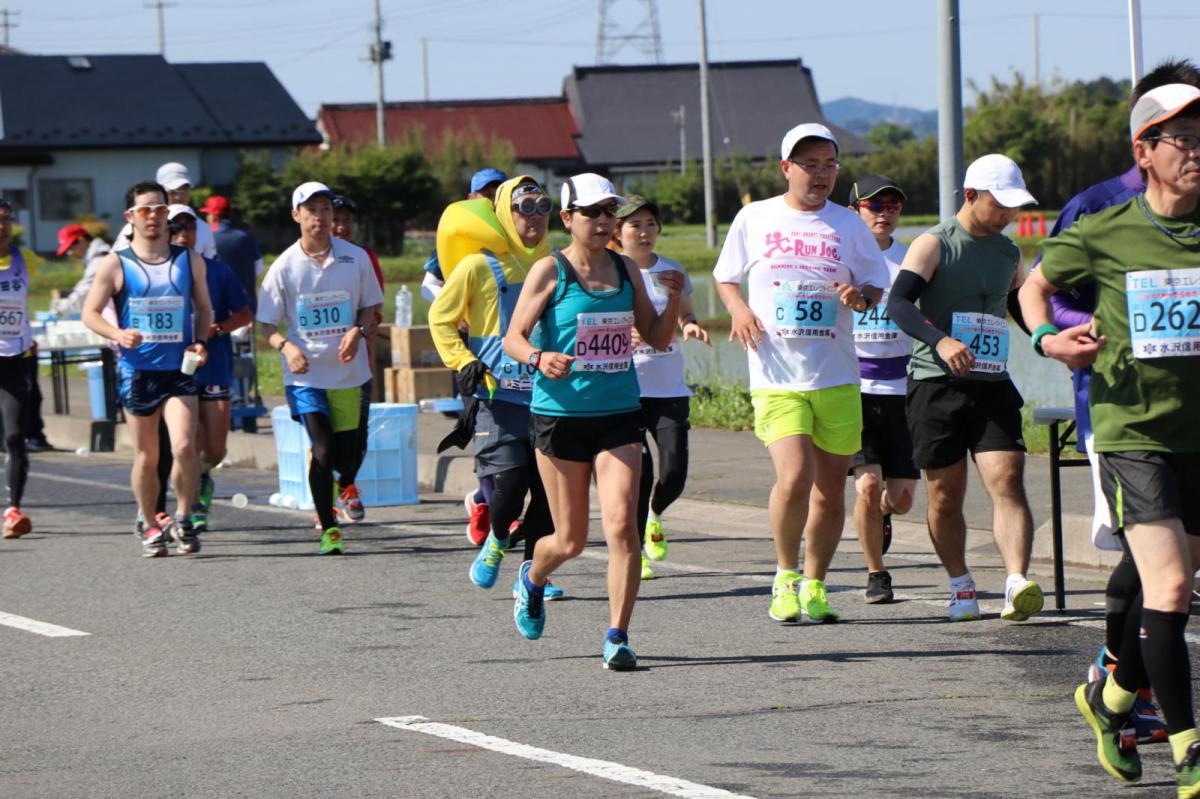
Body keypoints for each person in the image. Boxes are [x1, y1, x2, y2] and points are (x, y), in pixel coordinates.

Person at [1020, 82, 1200, 796]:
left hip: (1198, 433)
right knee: (1174, 584)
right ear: (1144, 152)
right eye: (1180, 138)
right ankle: (1188, 748)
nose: (1194, 150)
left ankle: (1111, 696)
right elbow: (1033, 287)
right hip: (1132, 430)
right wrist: (1048, 339)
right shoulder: (1105, 228)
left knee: (1166, 578)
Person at [503, 173, 683, 670]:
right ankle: (532, 579)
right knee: (571, 540)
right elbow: (513, 338)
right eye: (592, 212)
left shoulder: (627, 270)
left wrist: (673, 299)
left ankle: (617, 636)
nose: (604, 221)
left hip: (620, 413)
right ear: (568, 219)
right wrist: (539, 358)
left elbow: (656, 337)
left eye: (610, 212)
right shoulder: (550, 271)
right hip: (560, 417)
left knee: (625, 527)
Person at [713, 124, 888, 624]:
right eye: (809, 164)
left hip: (836, 374)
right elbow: (726, 277)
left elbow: (875, 282)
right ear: (785, 168)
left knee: (830, 490)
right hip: (776, 373)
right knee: (794, 477)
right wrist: (739, 311)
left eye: (829, 164)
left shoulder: (848, 225)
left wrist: (862, 297)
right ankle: (785, 576)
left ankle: (815, 583)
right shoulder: (755, 217)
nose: (820, 174)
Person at [886, 153, 1043, 622]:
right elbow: (898, 305)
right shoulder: (934, 244)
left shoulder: (1008, 251)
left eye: (1015, 207)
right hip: (936, 385)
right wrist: (942, 339)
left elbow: (1019, 304)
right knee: (945, 495)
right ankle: (960, 584)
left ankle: (1016, 581)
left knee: (1008, 479)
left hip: (992, 384)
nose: (1009, 215)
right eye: (1001, 205)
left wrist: (1046, 337)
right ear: (971, 196)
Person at [429, 175, 561, 598]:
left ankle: (533, 575)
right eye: (525, 208)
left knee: (547, 493)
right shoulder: (477, 266)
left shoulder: (557, 266)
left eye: (543, 207)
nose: (535, 217)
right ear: (505, 212)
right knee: (509, 485)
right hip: (496, 392)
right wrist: (464, 360)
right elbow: (441, 319)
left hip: (549, 395)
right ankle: (498, 538)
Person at [82, 180, 213, 557]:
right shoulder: (117, 262)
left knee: (186, 447)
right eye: (145, 210)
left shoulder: (188, 259)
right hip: (138, 371)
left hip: (179, 370)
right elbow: (89, 313)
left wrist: (200, 341)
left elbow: (204, 308)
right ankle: (150, 522)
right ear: (130, 217)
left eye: (159, 209)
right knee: (148, 456)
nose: (153, 216)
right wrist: (117, 333)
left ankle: (184, 519)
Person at [256, 182, 383, 555]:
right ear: (296, 216)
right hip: (306, 375)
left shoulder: (355, 257)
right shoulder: (283, 267)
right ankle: (329, 528)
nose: (321, 217)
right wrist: (286, 346)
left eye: (326, 209)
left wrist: (357, 332)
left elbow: (369, 308)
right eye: (311, 210)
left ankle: (345, 485)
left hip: (349, 372)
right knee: (323, 450)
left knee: (348, 454)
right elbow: (266, 323)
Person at [612, 195, 709, 581]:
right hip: (626, 389)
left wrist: (690, 325)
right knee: (638, 473)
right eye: (635, 224)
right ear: (617, 233)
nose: (644, 231)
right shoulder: (611, 273)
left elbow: (686, 311)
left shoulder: (672, 270)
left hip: (668, 387)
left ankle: (655, 515)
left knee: (673, 472)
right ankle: (636, 553)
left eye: (651, 223)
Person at [422, 167, 508, 545]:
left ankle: (488, 501)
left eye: (497, 192)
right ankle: (489, 503)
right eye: (484, 193)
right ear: (472, 198)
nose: (491, 199)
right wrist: (454, 314)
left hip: (516, 353)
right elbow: (430, 283)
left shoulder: (518, 235)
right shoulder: (458, 237)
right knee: (482, 430)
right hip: (474, 351)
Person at [845, 175, 919, 604]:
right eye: (875, 206)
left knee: (902, 499)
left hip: (904, 390)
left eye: (892, 205)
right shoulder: (842, 260)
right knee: (867, 487)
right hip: (857, 389)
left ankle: (884, 516)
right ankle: (877, 573)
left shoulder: (913, 261)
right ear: (855, 211)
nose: (884, 213)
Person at [165, 205, 252, 534]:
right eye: (176, 228)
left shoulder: (217, 271)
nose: (184, 234)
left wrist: (217, 328)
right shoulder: (159, 273)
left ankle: (201, 476)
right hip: (174, 369)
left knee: (214, 449)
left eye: (190, 228)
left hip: (213, 364)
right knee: (188, 442)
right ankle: (191, 505)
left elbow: (244, 315)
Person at [331, 193, 386, 524]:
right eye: (336, 219)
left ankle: (347, 484)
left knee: (356, 436)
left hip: (358, 363)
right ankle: (325, 503)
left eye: (347, 220)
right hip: (316, 365)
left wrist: (361, 336)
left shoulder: (365, 257)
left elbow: (376, 308)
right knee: (321, 436)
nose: (341, 226)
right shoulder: (307, 259)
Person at [0, 199, 40, 538]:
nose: (0, 226)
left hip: (14, 360)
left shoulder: (25, 261)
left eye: (5, 220)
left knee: (14, 435)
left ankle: (13, 509)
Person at [111, 164, 217, 259]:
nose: (178, 196)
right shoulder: (135, 227)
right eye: (171, 191)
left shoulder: (203, 227)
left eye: (184, 189)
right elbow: (116, 261)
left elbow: (211, 265)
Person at [200, 194, 263, 313]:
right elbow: (259, 267)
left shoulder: (207, 237)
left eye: (207, 214)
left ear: (214, 216)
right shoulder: (246, 236)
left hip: (218, 307)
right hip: (247, 306)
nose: (207, 217)